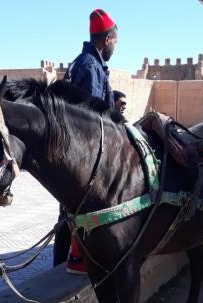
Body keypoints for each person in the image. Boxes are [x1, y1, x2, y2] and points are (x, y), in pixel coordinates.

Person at [55, 9, 119, 275]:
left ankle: (59, 268)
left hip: (70, 151)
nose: (115, 46)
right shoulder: (91, 67)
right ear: (106, 40)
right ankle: (74, 265)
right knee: (81, 214)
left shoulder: (82, 62)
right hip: (83, 155)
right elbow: (91, 119)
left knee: (68, 214)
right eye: (115, 41)